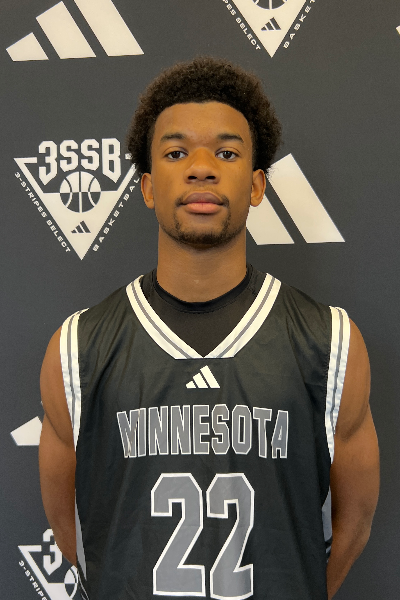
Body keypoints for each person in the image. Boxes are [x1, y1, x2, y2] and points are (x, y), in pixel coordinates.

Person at [39, 57, 379, 600]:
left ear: (257, 185)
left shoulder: (330, 342)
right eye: (176, 153)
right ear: (148, 187)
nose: (201, 168)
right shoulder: (78, 349)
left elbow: (355, 523)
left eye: (226, 152)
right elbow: (73, 533)